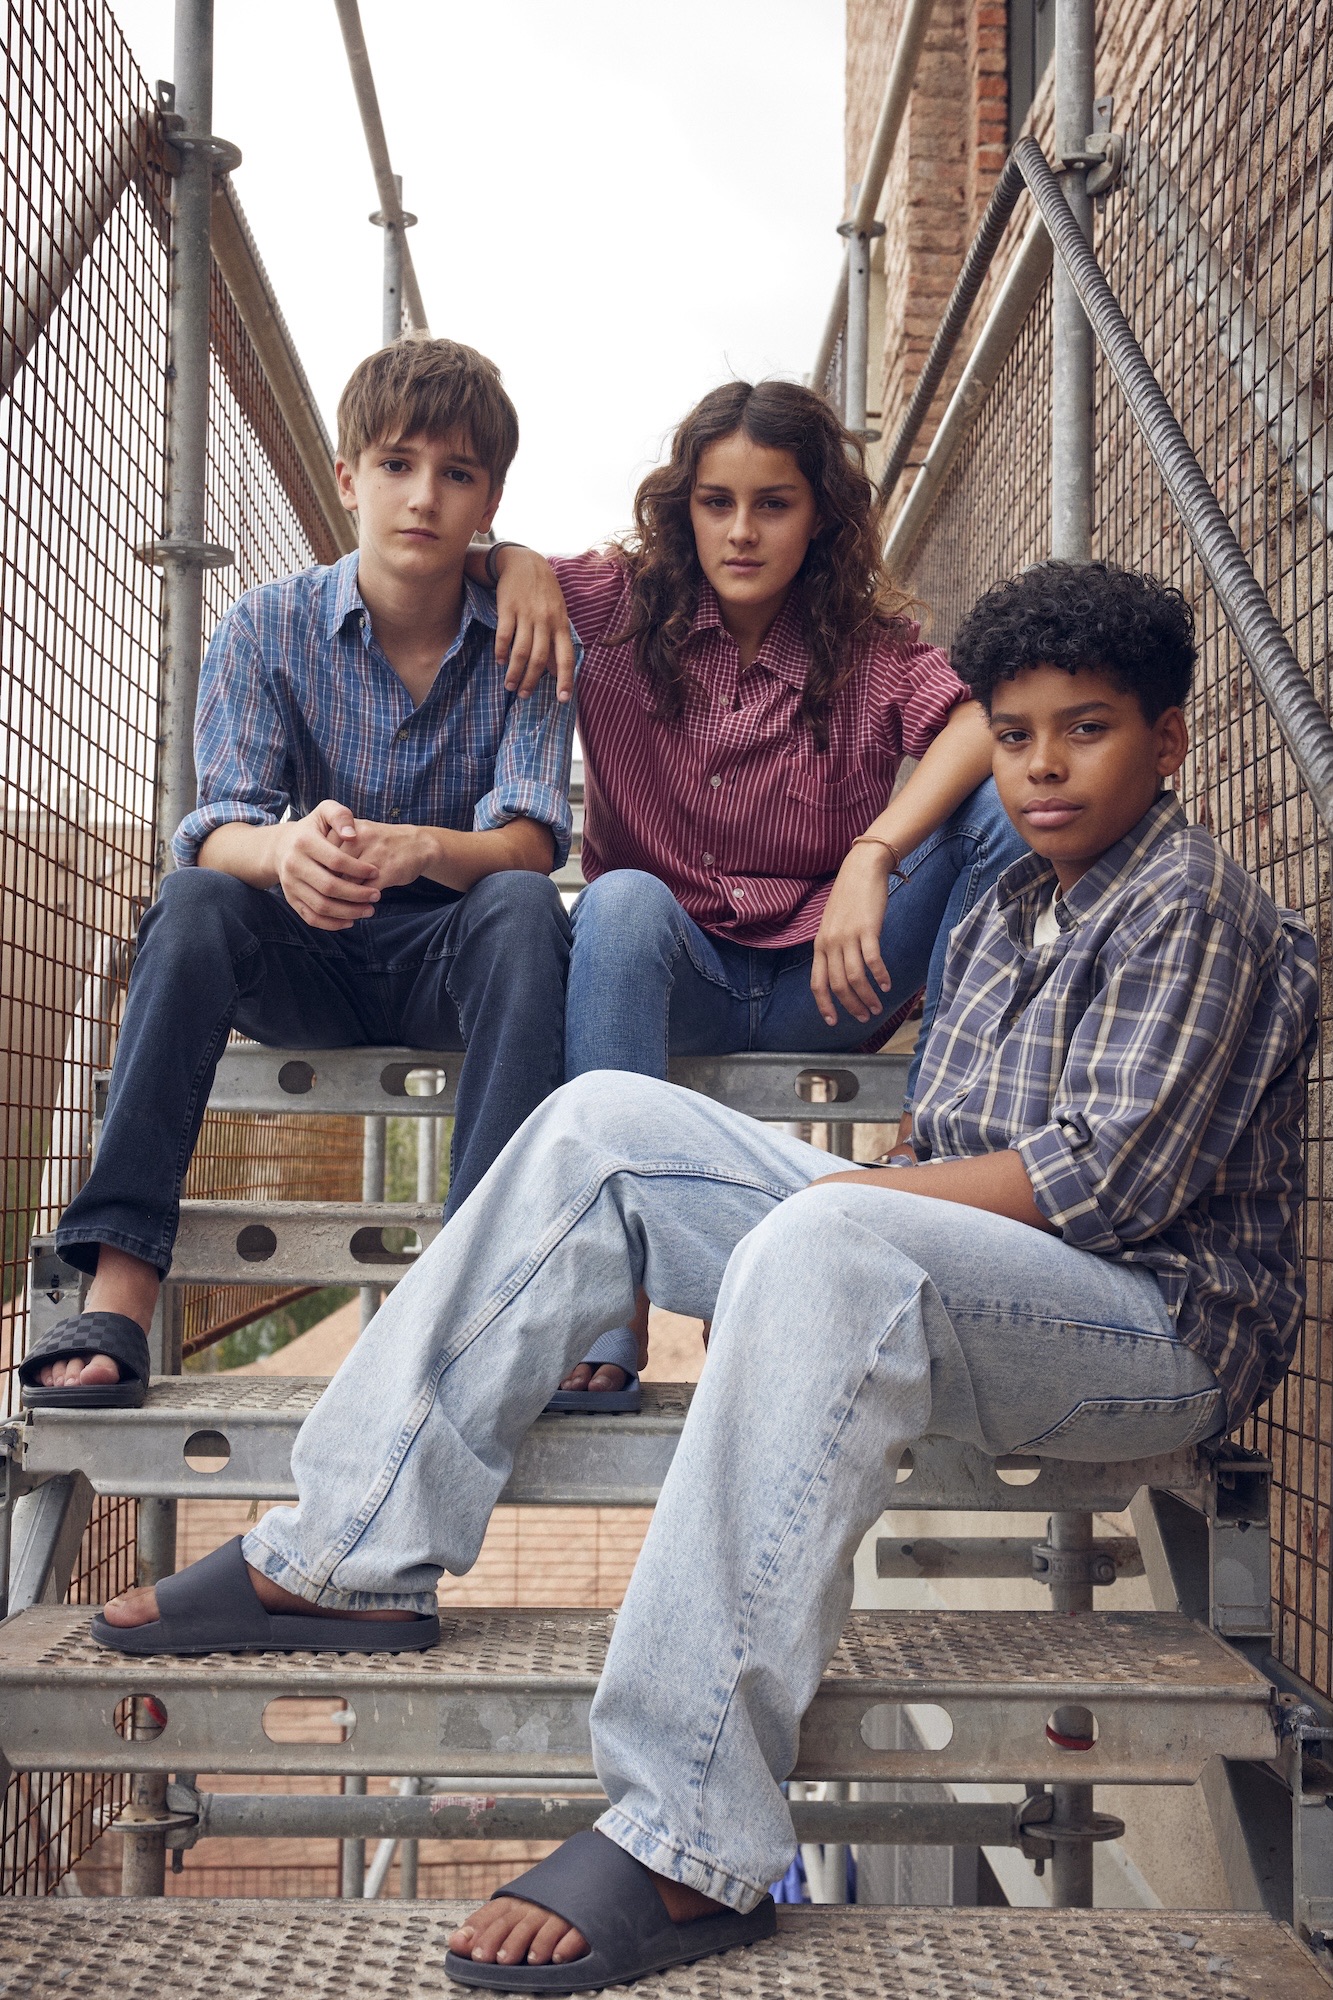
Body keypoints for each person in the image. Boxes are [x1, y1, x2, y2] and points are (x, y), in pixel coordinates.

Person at [87, 563, 1318, 1990]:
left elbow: (1106, 1186)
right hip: (993, 1284)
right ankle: (343, 1553)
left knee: (825, 1238)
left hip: (1152, 1329)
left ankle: (686, 1830)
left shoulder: (1190, 901)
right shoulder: (1002, 909)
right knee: (601, 1123)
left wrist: (851, 1199)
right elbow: (944, 1140)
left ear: (1167, 742)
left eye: (1085, 730)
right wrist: (867, 1188)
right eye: (1017, 734)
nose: (1042, 766)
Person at [20, 338, 575, 1413]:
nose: (423, 496)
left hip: (450, 960)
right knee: (193, 898)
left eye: (456, 474)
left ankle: (479, 1292)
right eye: (397, 464)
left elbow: (530, 839)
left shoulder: (529, 635)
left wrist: (424, 846)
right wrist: (286, 851)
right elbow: (214, 829)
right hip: (304, 955)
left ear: (490, 502)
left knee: (522, 904)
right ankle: (121, 1283)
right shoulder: (264, 626)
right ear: (348, 478)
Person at [475, 379, 1026, 1406]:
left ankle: (929, 1132)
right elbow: (464, 557)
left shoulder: (867, 648)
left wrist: (873, 853)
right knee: (618, 899)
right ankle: (609, 1295)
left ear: (818, 515)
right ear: (682, 507)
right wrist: (515, 561)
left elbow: (977, 724)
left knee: (996, 809)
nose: (740, 531)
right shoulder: (616, 606)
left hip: (827, 979)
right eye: (715, 501)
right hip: (669, 976)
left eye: (773, 503)